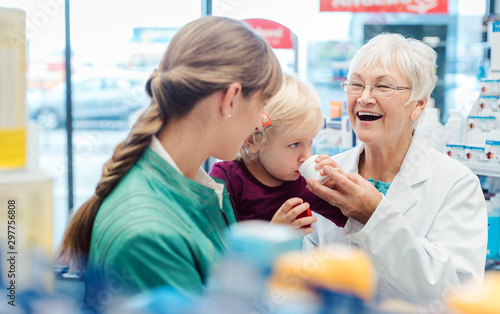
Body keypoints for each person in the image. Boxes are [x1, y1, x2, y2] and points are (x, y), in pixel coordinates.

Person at [57, 16, 283, 310]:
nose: (260, 122)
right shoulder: (149, 236)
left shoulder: (199, 188)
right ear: (230, 98)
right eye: (262, 105)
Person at [303, 33, 487, 305]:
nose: (365, 98)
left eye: (383, 87)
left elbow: (458, 293)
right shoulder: (327, 173)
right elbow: (307, 275)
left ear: (418, 105)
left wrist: (374, 215)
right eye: (356, 84)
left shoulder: (456, 184)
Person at [209, 74, 347, 234]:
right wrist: (273, 233)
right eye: (294, 144)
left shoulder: (305, 183)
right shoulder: (226, 180)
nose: (306, 156)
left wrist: (338, 188)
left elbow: (350, 219)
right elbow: (215, 248)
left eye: (310, 141)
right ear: (253, 141)